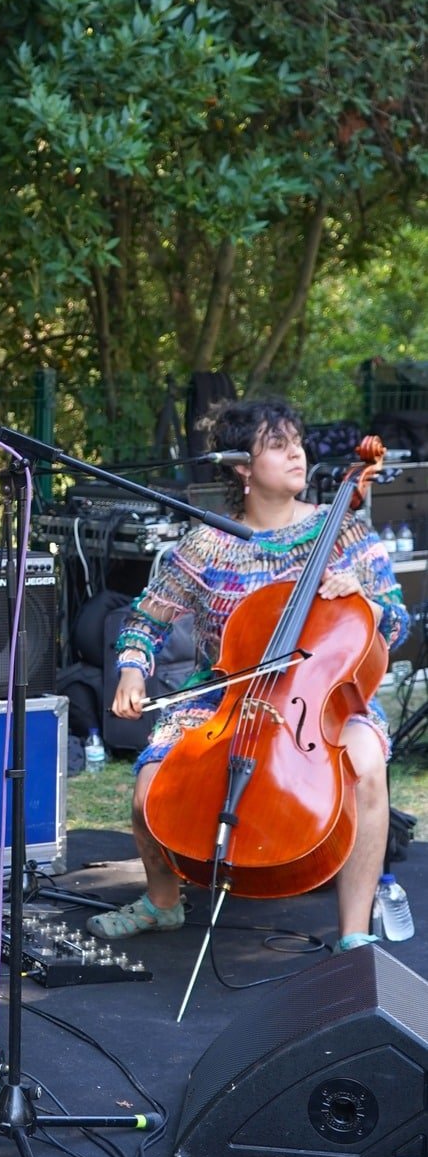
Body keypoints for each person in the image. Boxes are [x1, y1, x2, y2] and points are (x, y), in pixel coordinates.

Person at [89, 398, 408, 948]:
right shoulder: (208, 544)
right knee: (148, 789)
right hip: (225, 696)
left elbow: (399, 622)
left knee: (367, 765)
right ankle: (164, 901)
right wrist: (132, 671)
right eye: (278, 445)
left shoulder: (346, 534)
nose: (296, 455)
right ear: (242, 466)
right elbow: (146, 619)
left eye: (298, 443)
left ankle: (355, 933)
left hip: (323, 698)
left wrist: (369, 605)